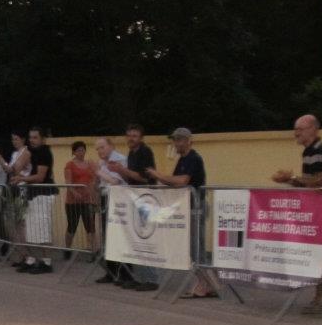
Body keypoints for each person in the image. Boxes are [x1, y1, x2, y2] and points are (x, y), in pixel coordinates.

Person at [272, 114, 322, 316]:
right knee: (311, 252)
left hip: (320, 211)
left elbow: (318, 181)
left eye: (300, 129)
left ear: (313, 129)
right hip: (313, 211)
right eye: (295, 129)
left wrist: (291, 178)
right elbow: (308, 181)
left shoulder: (317, 152)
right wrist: (290, 181)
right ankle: (315, 295)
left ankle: (319, 299)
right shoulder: (309, 151)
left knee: (316, 254)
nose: (296, 133)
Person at [147, 127, 214, 298]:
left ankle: (206, 284)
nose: (175, 144)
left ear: (187, 141)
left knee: (196, 248)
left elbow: (182, 180)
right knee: (192, 248)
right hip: (187, 208)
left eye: (178, 140)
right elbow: (174, 182)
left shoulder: (193, 158)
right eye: (174, 140)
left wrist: (159, 176)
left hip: (196, 207)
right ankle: (205, 283)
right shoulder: (182, 159)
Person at [10, 127, 55, 274]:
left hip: (44, 194)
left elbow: (40, 177)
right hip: (33, 194)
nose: (32, 140)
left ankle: (47, 262)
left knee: (43, 228)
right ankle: (32, 260)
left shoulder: (44, 152)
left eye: (35, 137)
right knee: (32, 229)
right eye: (30, 137)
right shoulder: (31, 151)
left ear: (43, 138)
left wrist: (21, 178)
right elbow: (16, 168)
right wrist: (24, 156)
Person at [94, 137, 137, 287]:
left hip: (120, 203)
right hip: (107, 200)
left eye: (102, 147)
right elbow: (102, 183)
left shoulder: (120, 160)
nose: (100, 151)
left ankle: (127, 274)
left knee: (123, 238)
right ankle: (111, 272)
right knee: (109, 238)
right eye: (97, 149)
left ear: (111, 146)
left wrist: (98, 172)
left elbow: (116, 181)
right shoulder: (101, 163)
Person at [0, 131, 31, 260]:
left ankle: (25, 255)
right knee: (15, 222)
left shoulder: (26, 152)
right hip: (13, 187)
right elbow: (9, 171)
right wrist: (3, 163)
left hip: (22, 188)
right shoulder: (14, 153)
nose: (14, 142)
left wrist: (0, 160)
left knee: (20, 222)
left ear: (23, 139)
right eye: (13, 139)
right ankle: (21, 254)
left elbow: (14, 170)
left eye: (16, 139)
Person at [63, 141, 98, 260]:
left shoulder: (89, 164)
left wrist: (93, 193)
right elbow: (68, 182)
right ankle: (67, 249)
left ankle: (91, 251)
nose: (81, 152)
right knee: (72, 227)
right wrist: (74, 192)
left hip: (88, 200)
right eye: (78, 150)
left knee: (90, 226)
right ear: (73, 152)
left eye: (83, 150)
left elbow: (94, 179)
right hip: (73, 201)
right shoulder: (70, 165)